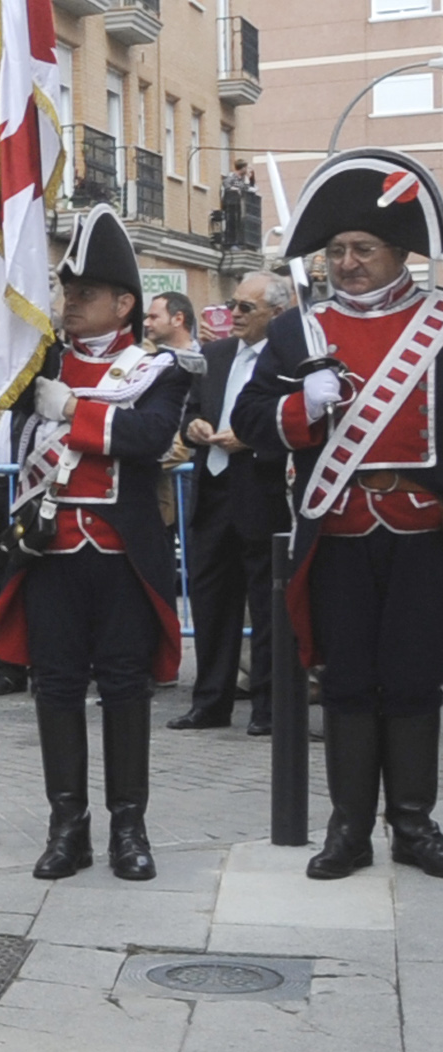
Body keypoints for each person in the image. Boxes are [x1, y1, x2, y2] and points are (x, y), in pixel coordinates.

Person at [242, 150, 443, 880]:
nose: (348, 263)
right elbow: (251, 419)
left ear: (400, 254)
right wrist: (304, 405)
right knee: (348, 678)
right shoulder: (299, 333)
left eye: (364, 249)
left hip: (423, 530)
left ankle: (415, 824)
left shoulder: (438, 324)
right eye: (337, 251)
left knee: (417, 677)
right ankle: (350, 828)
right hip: (338, 528)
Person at [0, 208, 186, 883]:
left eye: (85, 294)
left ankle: (129, 826)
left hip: (122, 556)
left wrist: (73, 410)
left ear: (124, 303)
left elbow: (147, 439)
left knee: (126, 690)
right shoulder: (40, 360)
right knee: (57, 688)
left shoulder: (158, 371)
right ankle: (67, 827)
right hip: (50, 554)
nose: (70, 304)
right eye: (67, 293)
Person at [173, 272, 288, 734]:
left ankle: (267, 706)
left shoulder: (287, 361)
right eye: (233, 304)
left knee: (266, 608)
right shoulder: (214, 354)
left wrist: (253, 438)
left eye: (247, 308)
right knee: (211, 604)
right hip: (212, 492)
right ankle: (211, 702)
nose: (234, 314)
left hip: (260, 491)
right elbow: (190, 411)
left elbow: (297, 425)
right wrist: (195, 428)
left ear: (277, 315)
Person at [146, 288, 205, 378]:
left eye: (153, 317)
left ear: (178, 319)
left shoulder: (207, 358)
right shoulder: (145, 357)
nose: (146, 323)